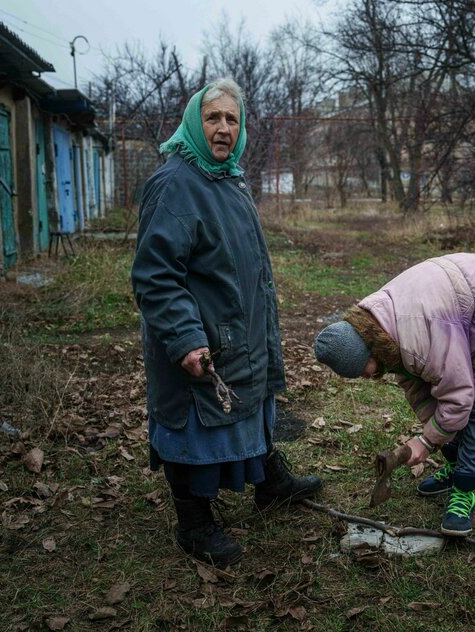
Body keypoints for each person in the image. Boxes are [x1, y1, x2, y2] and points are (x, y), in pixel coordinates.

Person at [131, 78, 322, 568]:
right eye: (213, 118)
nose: (222, 129)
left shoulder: (227, 178)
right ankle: (193, 521)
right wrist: (186, 338)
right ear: (195, 122)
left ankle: (268, 482)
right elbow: (155, 277)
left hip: (240, 333)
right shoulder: (175, 183)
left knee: (252, 404)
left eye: (232, 120)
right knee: (193, 423)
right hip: (203, 341)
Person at [314, 253, 475, 536]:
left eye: (361, 371)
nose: (365, 378)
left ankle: (466, 488)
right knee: (444, 395)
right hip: (460, 307)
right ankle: (457, 466)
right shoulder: (382, 326)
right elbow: (418, 388)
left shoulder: (416, 338)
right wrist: (436, 436)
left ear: (367, 350)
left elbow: (459, 398)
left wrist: (426, 442)